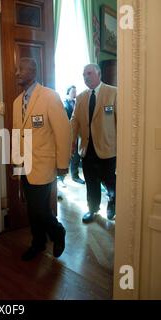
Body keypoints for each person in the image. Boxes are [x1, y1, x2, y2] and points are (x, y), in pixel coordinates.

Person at [13, 57, 71, 261]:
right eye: (16, 69)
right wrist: (16, 165)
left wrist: (63, 165)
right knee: (32, 208)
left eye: (21, 69)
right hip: (24, 166)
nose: (17, 72)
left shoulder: (49, 96)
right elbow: (17, 135)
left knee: (40, 209)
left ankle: (58, 232)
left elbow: (63, 132)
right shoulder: (16, 102)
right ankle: (38, 243)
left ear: (33, 71)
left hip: (44, 165)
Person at [71, 64, 117, 223]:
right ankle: (93, 209)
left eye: (89, 73)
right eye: (83, 74)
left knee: (110, 180)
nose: (86, 77)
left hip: (108, 148)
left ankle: (113, 200)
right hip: (86, 148)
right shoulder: (81, 97)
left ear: (98, 74)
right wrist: (70, 142)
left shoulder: (113, 93)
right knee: (91, 181)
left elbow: (121, 122)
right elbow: (74, 122)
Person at [63, 85, 85, 185]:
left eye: (76, 91)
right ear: (68, 92)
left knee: (76, 155)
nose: (75, 93)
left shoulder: (78, 102)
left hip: (78, 133)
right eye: (73, 91)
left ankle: (75, 175)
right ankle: (61, 177)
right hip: (67, 133)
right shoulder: (64, 103)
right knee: (67, 154)